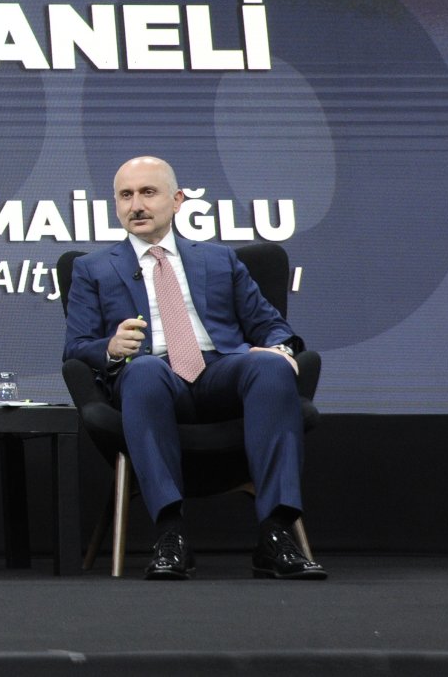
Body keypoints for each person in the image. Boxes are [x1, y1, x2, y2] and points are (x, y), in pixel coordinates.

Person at [63, 156, 326, 580]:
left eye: (148, 193)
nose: (136, 205)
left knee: (271, 369)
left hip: (220, 371)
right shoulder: (94, 268)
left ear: (177, 200)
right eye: (126, 196)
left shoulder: (220, 260)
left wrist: (279, 349)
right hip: (153, 379)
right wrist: (111, 347)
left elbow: (271, 326)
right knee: (144, 369)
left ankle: (275, 534)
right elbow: (75, 347)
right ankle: (170, 535)